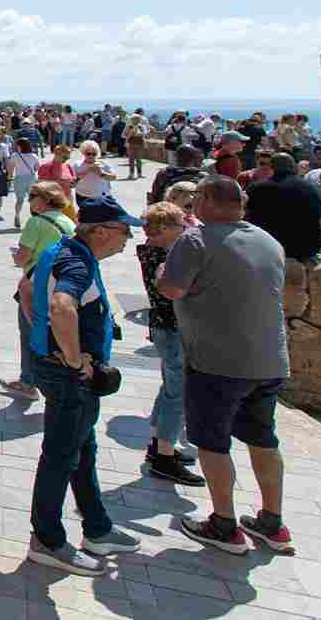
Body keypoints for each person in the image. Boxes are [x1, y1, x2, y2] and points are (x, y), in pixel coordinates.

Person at [158, 176, 295, 556]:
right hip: (269, 360)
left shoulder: (196, 239)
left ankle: (223, 524)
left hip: (216, 362)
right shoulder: (269, 241)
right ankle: (272, 521)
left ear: (207, 200)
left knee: (212, 443)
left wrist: (160, 275)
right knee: (263, 438)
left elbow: (171, 289)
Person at [23, 196, 145, 576]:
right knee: (60, 455)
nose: (128, 240)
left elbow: (26, 289)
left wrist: (43, 340)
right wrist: (75, 360)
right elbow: (62, 306)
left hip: (58, 369)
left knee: (82, 449)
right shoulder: (76, 263)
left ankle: (97, 528)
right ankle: (47, 539)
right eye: (124, 232)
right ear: (102, 232)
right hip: (71, 378)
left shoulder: (60, 250)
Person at [135, 200, 204, 486]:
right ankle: (164, 456)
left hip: (163, 327)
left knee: (170, 387)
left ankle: (157, 444)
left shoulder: (153, 251)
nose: (186, 227)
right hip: (173, 327)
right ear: (164, 228)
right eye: (180, 224)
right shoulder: (165, 255)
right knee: (178, 392)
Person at [1, 182, 75, 402]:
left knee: (29, 332)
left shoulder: (36, 222)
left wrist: (16, 257)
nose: (30, 200)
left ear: (44, 199)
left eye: (33, 196)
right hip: (60, 286)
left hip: (36, 285)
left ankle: (28, 381)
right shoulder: (67, 221)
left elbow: (23, 257)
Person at [245, 154, 321, 281]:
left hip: (268, 245)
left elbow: (246, 217)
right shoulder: (309, 188)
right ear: (293, 167)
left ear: (272, 168)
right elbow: (319, 213)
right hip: (304, 246)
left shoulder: (256, 188)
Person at [8, 137, 40, 228]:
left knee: (19, 200)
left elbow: (11, 168)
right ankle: (34, 219)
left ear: (19, 146)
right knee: (33, 200)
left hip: (19, 179)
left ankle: (17, 216)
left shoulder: (15, 155)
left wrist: (9, 177)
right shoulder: (34, 156)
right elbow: (37, 168)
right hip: (32, 179)